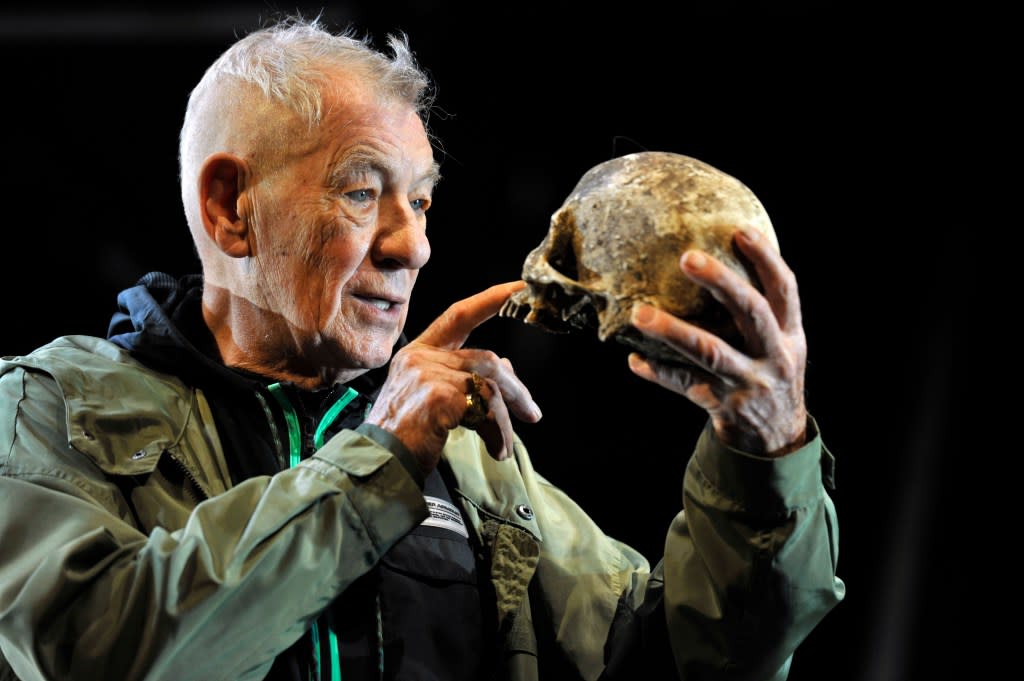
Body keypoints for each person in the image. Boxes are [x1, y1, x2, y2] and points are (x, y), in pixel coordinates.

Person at [0, 15, 844, 681]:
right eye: (362, 191)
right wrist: (379, 463)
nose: (414, 248)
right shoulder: (47, 408)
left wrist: (764, 463)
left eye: (425, 202)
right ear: (229, 206)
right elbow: (98, 650)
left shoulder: (468, 463)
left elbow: (681, 660)